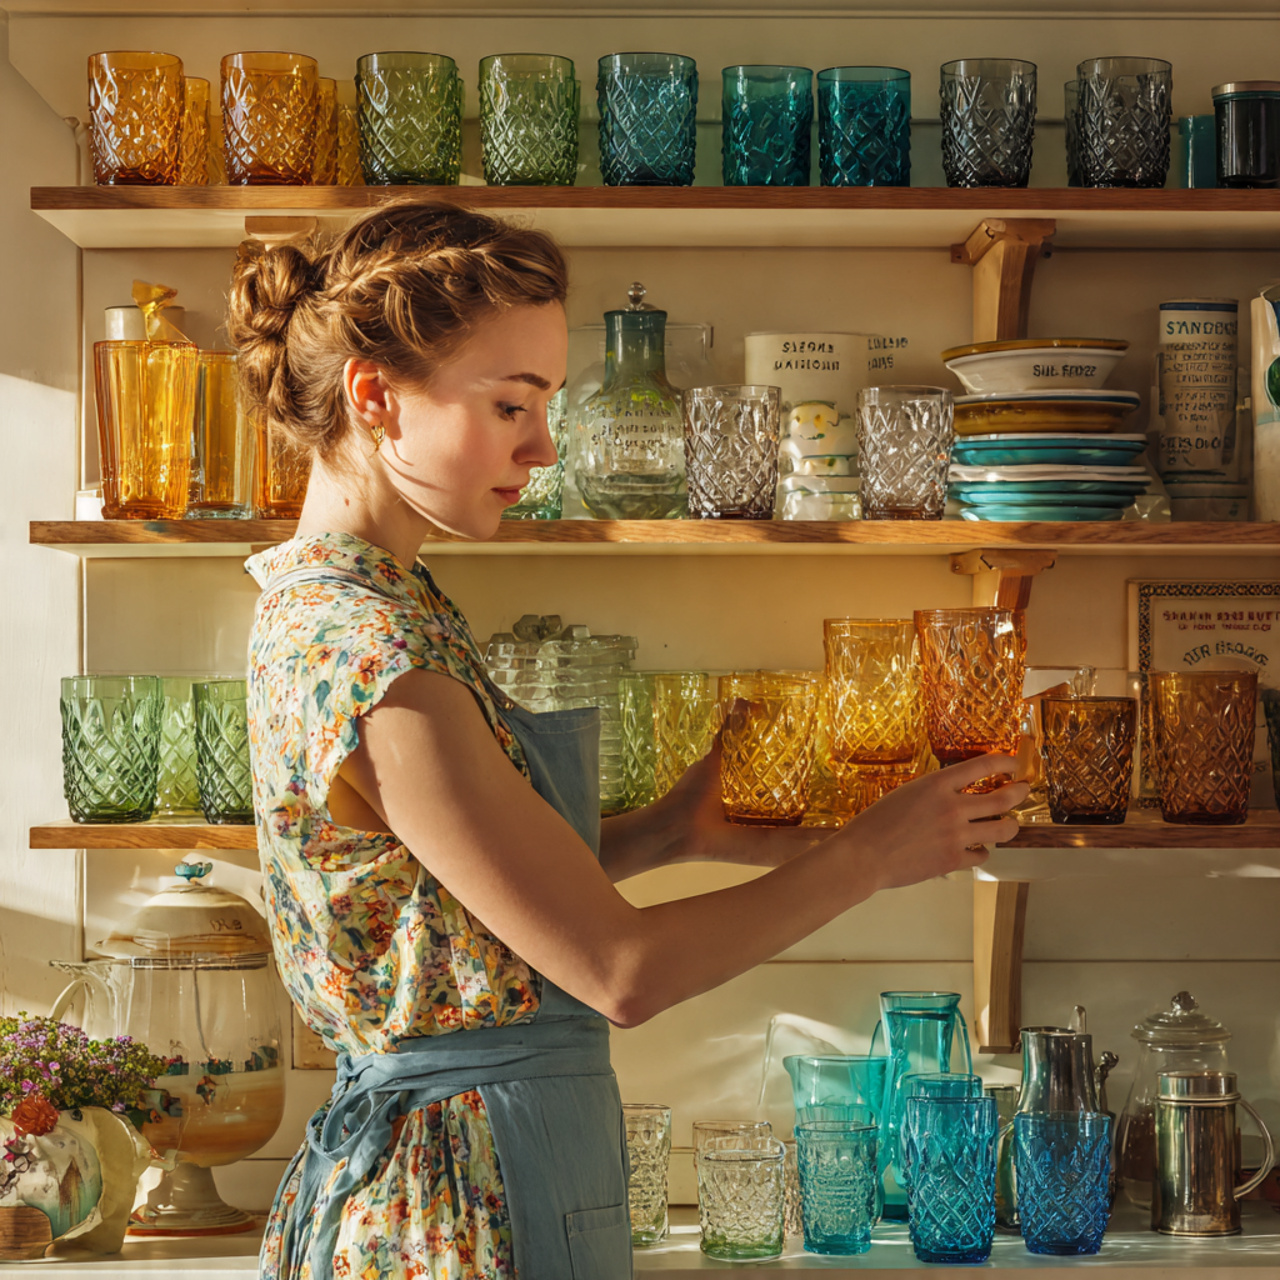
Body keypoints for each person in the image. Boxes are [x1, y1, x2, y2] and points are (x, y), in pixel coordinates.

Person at [229, 199, 1027, 1280]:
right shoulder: (367, 647)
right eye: (512, 404)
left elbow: (464, 903)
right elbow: (618, 969)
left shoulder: (376, 605)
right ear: (375, 398)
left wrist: (666, 829)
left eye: (545, 404)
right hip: (455, 1203)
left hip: (487, 1161)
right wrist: (870, 856)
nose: (543, 446)